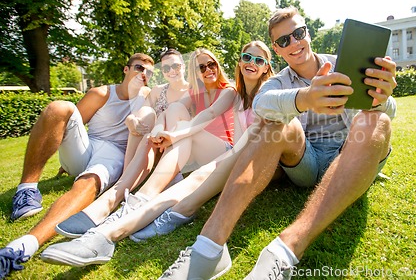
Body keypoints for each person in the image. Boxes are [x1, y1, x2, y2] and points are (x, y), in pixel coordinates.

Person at [156, 6, 398, 280]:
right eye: (284, 41)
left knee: (376, 121)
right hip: (307, 162)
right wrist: (305, 97)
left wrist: (381, 96)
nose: (294, 43)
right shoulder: (278, 81)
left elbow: (390, 110)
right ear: (277, 48)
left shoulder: (345, 65)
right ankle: (209, 247)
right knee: (275, 123)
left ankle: (285, 250)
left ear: (307, 32)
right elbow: (261, 104)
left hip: (349, 155)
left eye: (298, 34)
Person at [39, 41, 275, 267]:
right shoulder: (207, 93)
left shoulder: (230, 91)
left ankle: (133, 195)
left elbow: (208, 118)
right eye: (201, 67)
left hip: (223, 151)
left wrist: (175, 135)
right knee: (169, 111)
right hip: (199, 153)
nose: (207, 69)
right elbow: (165, 111)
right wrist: (153, 127)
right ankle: (125, 190)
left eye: (211, 64)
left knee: (180, 130)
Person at [0, 53, 154, 278]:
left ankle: (25, 245)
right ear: (126, 69)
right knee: (59, 107)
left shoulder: (148, 97)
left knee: (88, 182)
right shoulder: (101, 93)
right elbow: (68, 126)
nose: (143, 74)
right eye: (139, 68)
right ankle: (26, 191)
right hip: (87, 147)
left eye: (148, 72)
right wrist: (70, 159)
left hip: (114, 155)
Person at [52, 49, 190, 238]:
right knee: (145, 117)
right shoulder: (157, 91)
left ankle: (120, 192)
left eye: (176, 65)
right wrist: (132, 120)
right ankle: (125, 185)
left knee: (170, 114)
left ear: (183, 66)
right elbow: (144, 111)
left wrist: (167, 132)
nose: (172, 70)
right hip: (153, 143)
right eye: (166, 67)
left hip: (178, 146)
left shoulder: (194, 90)